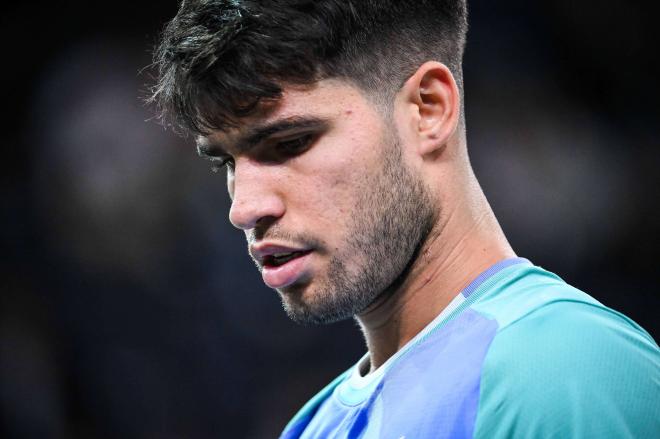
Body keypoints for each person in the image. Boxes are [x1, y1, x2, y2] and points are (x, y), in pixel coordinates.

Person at [149, 1, 659, 437]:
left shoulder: (566, 370)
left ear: (428, 109)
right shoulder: (310, 426)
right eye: (226, 162)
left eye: (291, 142)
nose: (244, 208)